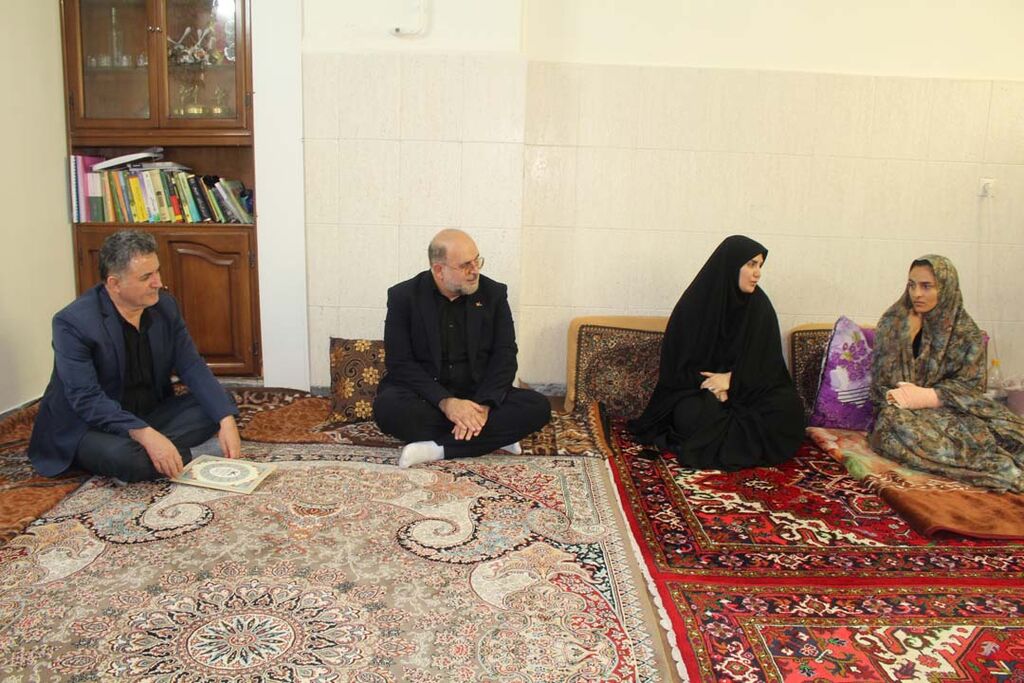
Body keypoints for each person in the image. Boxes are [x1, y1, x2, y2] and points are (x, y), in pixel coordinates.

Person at [29, 230, 241, 482]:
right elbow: (86, 399)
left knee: (220, 403)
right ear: (114, 284)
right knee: (129, 459)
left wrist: (225, 420)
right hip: (89, 426)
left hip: (146, 413)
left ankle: (156, 448)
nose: (158, 283)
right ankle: (157, 450)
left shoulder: (165, 306)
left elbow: (192, 366)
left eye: (157, 272)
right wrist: (145, 435)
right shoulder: (73, 323)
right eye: (146, 277)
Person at [374, 228, 551, 468]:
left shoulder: (494, 294)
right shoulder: (404, 297)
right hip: (426, 397)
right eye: (466, 265)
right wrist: (446, 403)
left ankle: (436, 449)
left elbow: (505, 355)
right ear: (439, 270)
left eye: (477, 261)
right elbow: (399, 362)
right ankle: (495, 437)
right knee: (388, 409)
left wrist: (484, 406)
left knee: (538, 407)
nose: (475, 270)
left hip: (478, 394)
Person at [629, 235, 805, 470]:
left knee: (789, 408)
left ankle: (724, 438)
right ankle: (735, 440)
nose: (757, 273)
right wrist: (713, 386)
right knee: (689, 414)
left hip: (746, 388)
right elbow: (677, 369)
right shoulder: (695, 306)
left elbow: (768, 365)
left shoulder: (760, 307)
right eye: (751, 264)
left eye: (760, 266)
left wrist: (732, 380)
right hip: (699, 390)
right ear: (732, 265)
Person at [869, 255, 1024, 492]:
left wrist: (929, 396)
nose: (916, 294)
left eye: (926, 286)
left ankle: (998, 457)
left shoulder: (966, 332)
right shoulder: (894, 322)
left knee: (1007, 431)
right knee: (892, 424)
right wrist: (906, 339)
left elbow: (971, 388)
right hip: (905, 412)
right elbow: (882, 384)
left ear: (946, 287)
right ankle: (996, 468)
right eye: (912, 285)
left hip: (953, 409)